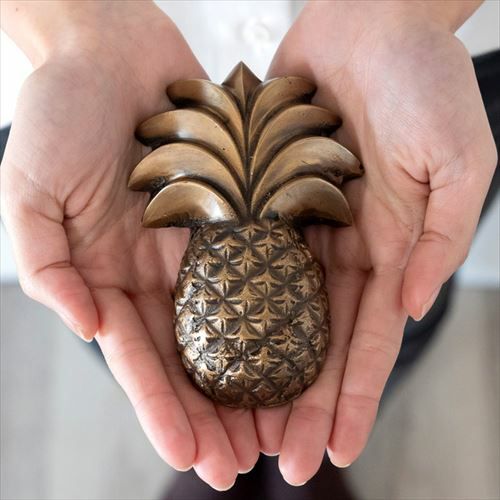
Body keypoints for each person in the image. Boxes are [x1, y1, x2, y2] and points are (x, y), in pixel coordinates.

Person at [0, 0, 498, 496]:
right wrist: (70, 31)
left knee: (402, 302)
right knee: (112, 315)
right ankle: (228, 462)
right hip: (91, 100)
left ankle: (300, 461)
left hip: (401, 88)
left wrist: (406, 13)